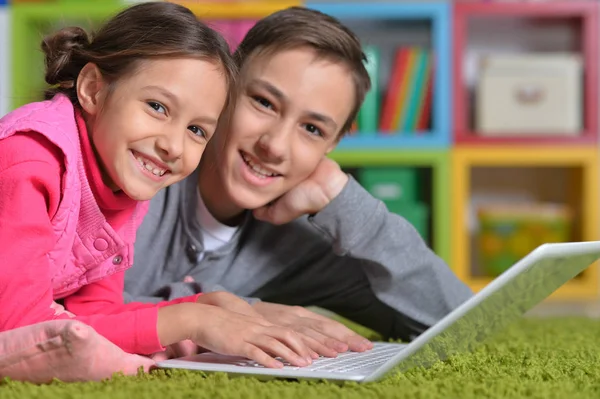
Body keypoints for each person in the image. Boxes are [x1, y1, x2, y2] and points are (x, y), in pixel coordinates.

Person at [125, 6, 473, 358]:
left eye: (312, 130)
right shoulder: (142, 168)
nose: (274, 146)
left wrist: (343, 198)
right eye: (264, 102)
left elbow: (460, 323)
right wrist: (232, 313)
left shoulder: (301, 244)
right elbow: (71, 303)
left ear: (331, 146)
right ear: (227, 88)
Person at [0, 2, 317, 370]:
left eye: (196, 130)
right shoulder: (30, 159)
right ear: (92, 89)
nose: (173, 146)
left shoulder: (121, 181)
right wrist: (190, 322)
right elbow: (18, 327)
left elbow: (96, 311)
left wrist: (200, 308)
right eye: (157, 106)